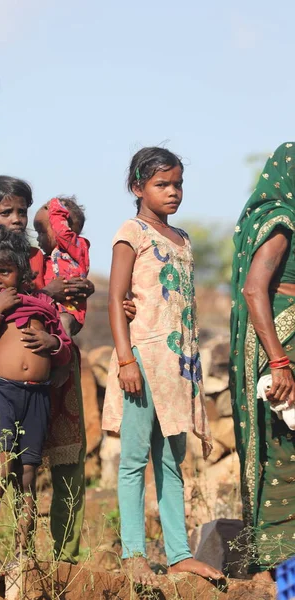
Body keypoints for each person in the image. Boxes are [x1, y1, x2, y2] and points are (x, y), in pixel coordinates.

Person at [103, 146, 223, 586]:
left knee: (172, 460)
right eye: (162, 184)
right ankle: (133, 553)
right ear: (138, 188)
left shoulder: (183, 239)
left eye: (178, 184)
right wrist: (125, 359)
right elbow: (116, 299)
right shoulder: (130, 232)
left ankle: (178, 554)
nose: (173, 192)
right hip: (141, 362)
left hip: (178, 368)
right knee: (134, 459)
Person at [0, 176, 94, 565]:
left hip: (53, 373)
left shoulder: (40, 257)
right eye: (7, 212)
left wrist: (74, 295)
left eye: (22, 211)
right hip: (8, 386)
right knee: (5, 464)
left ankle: (59, 557)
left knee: (48, 467)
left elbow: (65, 304)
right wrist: (49, 294)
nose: (18, 219)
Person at [230, 142, 295, 581]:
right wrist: (279, 361)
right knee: (284, 453)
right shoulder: (281, 222)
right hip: (282, 346)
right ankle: (283, 572)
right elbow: (256, 289)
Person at [34, 196, 90, 337]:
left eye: (41, 232)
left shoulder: (77, 248)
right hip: (50, 310)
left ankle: (64, 354)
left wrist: (55, 206)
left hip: (70, 311)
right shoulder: (43, 259)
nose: (37, 238)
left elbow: (61, 233)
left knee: (63, 322)